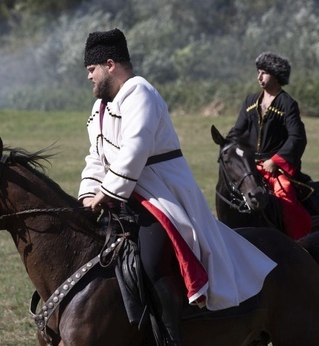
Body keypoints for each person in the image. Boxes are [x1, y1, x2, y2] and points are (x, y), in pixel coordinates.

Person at [78, 28, 276, 345]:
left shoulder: (140, 93)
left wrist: (107, 192)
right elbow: (96, 155)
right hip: (125, 193)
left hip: (161, 192)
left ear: (110, 64)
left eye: (91, 69)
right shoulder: (99, 108)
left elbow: (135, 148)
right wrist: (88, 191)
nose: (88, 77)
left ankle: (170, 338)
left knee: (153, 259)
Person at [227, 52, 312, 240]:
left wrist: (275, 161)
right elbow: (237, 131)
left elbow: (297, 137)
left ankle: (299, 243)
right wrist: (228, 144)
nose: (259, 77)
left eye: (264, 72)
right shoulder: (250, 102)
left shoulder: (288, 104)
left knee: (285, 194)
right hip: (251, 165)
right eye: (258, 72)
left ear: (276, 75)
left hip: (277, 169)